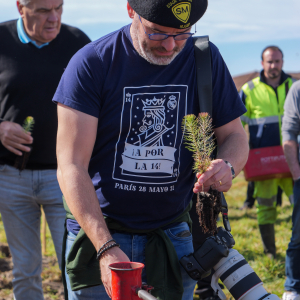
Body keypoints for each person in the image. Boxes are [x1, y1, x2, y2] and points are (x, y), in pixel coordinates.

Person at [54, 1, 249, 299]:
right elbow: (71, 165)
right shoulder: (93, 63)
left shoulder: (204, 59)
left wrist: (228, 164)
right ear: (131, 10)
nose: (170, 45)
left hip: (173, 237)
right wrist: (106, 247)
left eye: (182, 33)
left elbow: (234, 134)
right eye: (157, 32)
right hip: (99, 234)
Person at [0, 0, 90, 299]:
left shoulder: (78, 43)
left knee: (74, 266)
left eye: (59, 8)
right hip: (11, 178)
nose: (54, 18)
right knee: (25, 267)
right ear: (20, 7)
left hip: (67, 178)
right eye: (42, 10)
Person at [240, 46, 295, 259]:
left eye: (277, 61)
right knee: (265, 207)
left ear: (283, 62)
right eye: (269, 62)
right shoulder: (248, 90)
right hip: (264, 163)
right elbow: (234, 125)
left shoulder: (295, 87)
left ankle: (295, 249)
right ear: (262, 63)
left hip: (293, 161)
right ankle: (270, 252)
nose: (273, 66)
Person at [282, 80, 300, 300]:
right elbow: (288, 134)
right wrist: (297, 175)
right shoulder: (297, 90)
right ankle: (293, 287)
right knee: (298, 235)